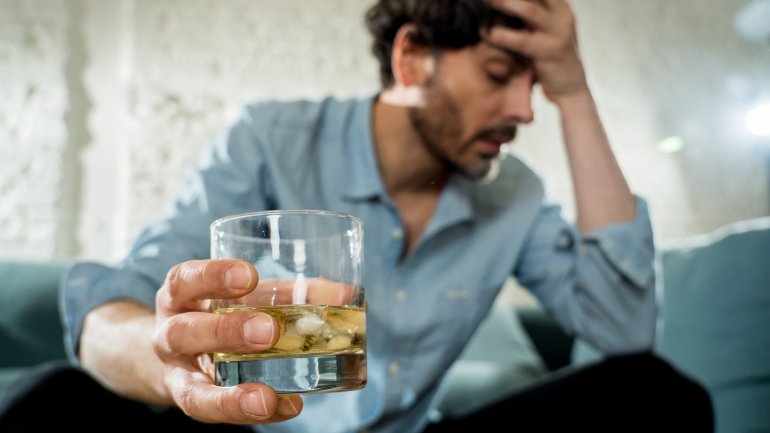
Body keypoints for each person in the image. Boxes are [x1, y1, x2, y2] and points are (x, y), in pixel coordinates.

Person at [0, 0, 712, 432]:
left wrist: (577, 93)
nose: (526, 110)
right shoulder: (269, 140)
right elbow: (113, 306)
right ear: (412, 59)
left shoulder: (513, 195)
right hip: (247, 431)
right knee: (56, 402)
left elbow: (624, 331)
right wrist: (170, 363)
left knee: (652, 396)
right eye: (501, 75)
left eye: (539, 86)